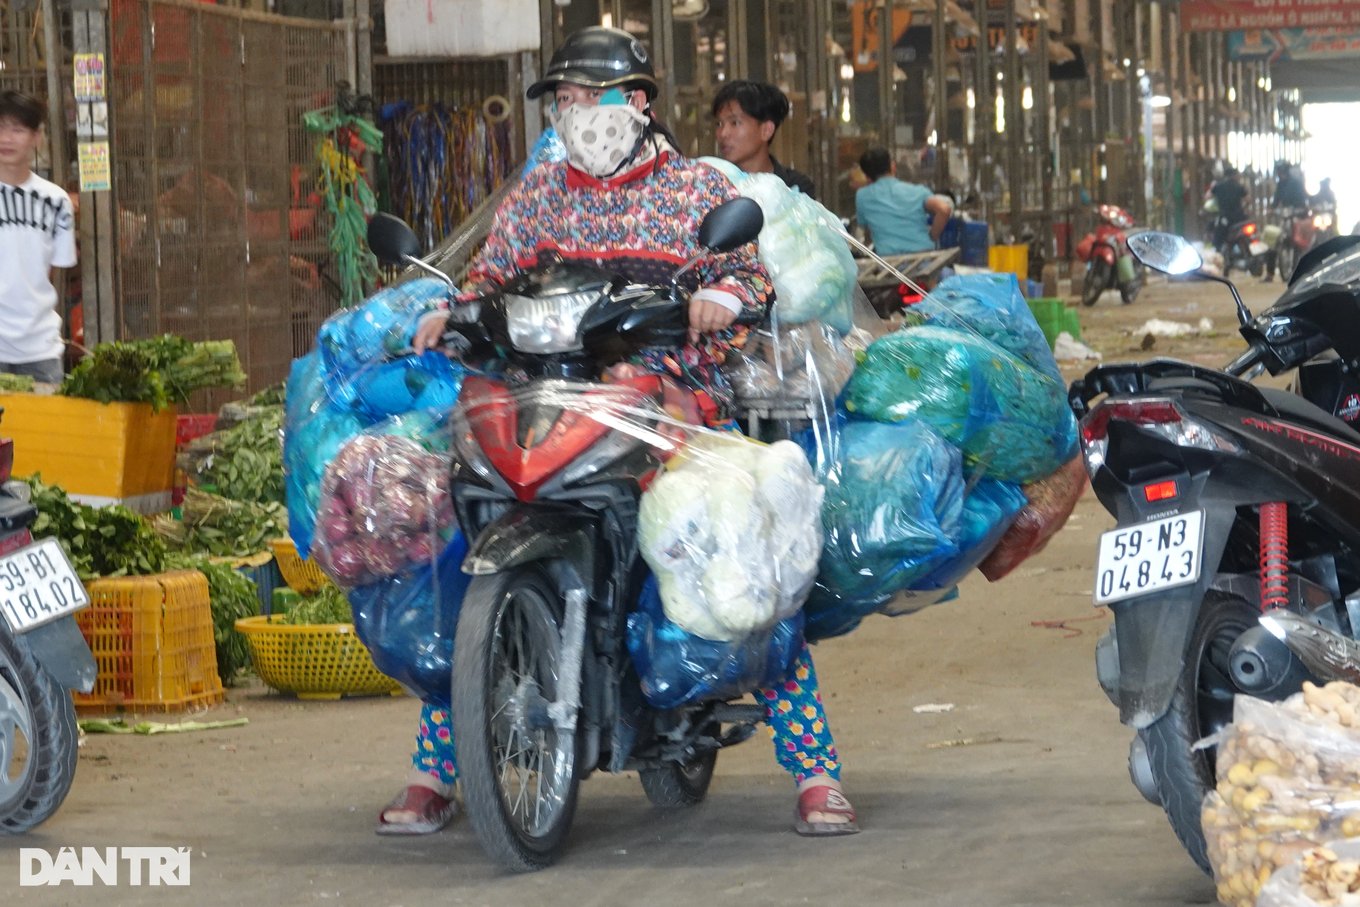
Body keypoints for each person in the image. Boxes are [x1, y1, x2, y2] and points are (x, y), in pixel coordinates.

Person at [384, 26, 858, 839]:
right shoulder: (539, 195)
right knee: (456, 548)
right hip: (544, 394)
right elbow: (489, 276)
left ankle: (815, 768)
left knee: (734, 551)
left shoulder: (689, 190)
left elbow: (746, 275)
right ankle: (439, 760)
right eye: (563, 102)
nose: (573, 116)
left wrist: (724, 299)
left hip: (664, 394)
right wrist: (450, 310)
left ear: (636, 103)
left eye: (585, 98)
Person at [0, 90, 76, 386]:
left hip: (41, 349)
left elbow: (56, 269)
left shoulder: (56, 201)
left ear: (36, 136)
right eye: (0, 128)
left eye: (17, 130)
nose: (6, 139)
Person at [711, 79, 815, 197]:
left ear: (766, 130)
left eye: (735, 123)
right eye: (719, 124)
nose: (723, 133)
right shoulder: (710, 185)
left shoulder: (794, 187)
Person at [854, 147, 952, 255]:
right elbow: (944, 209)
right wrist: (932, 236)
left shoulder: (862, 196)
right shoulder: (917, 192)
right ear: (893, 166)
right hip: (924, 257)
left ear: (866, 175)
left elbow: (866, 227)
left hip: (890, 262)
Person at [1209, 166, 1250, 252]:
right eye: (1237, 175)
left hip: (1225, 218)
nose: (1238, 177)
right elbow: (1248, 199)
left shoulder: (1218, 185)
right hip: (1239, 217)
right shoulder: (1238, 186)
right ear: (1233, 175)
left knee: (1217, 239)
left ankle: (1218, 252)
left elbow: (1208, 197)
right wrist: (1244, 207)